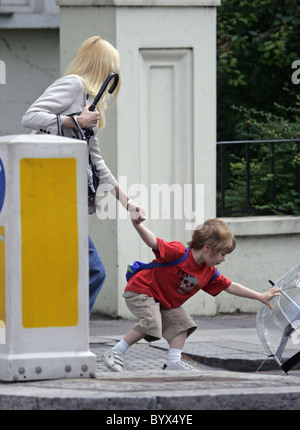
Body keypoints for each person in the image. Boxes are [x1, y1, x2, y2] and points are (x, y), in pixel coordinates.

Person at [21, 36, 145, 316]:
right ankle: (66, 329)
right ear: (103, 66)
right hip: (45, 192)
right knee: (93, 271)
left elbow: (96, 160)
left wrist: (128, 204)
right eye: (113, 68)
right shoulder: (73, 85)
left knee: (79, 271)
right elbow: (30, 116)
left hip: (62, 197)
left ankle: (61, 327)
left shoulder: (90, 99)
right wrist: (74, 121)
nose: (115, 76)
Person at [102, 218, 281, 372]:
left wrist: (259, 296)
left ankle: (173, 363)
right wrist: (137, 225)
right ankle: (116, 351)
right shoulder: (179, 252)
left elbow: (230, 286)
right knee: (151, 322)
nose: (223, 259)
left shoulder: (208, 272)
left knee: (183, 324)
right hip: (141, 290)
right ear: (207, 248)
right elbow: (153, 242)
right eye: (222, 254)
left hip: (163, 301)